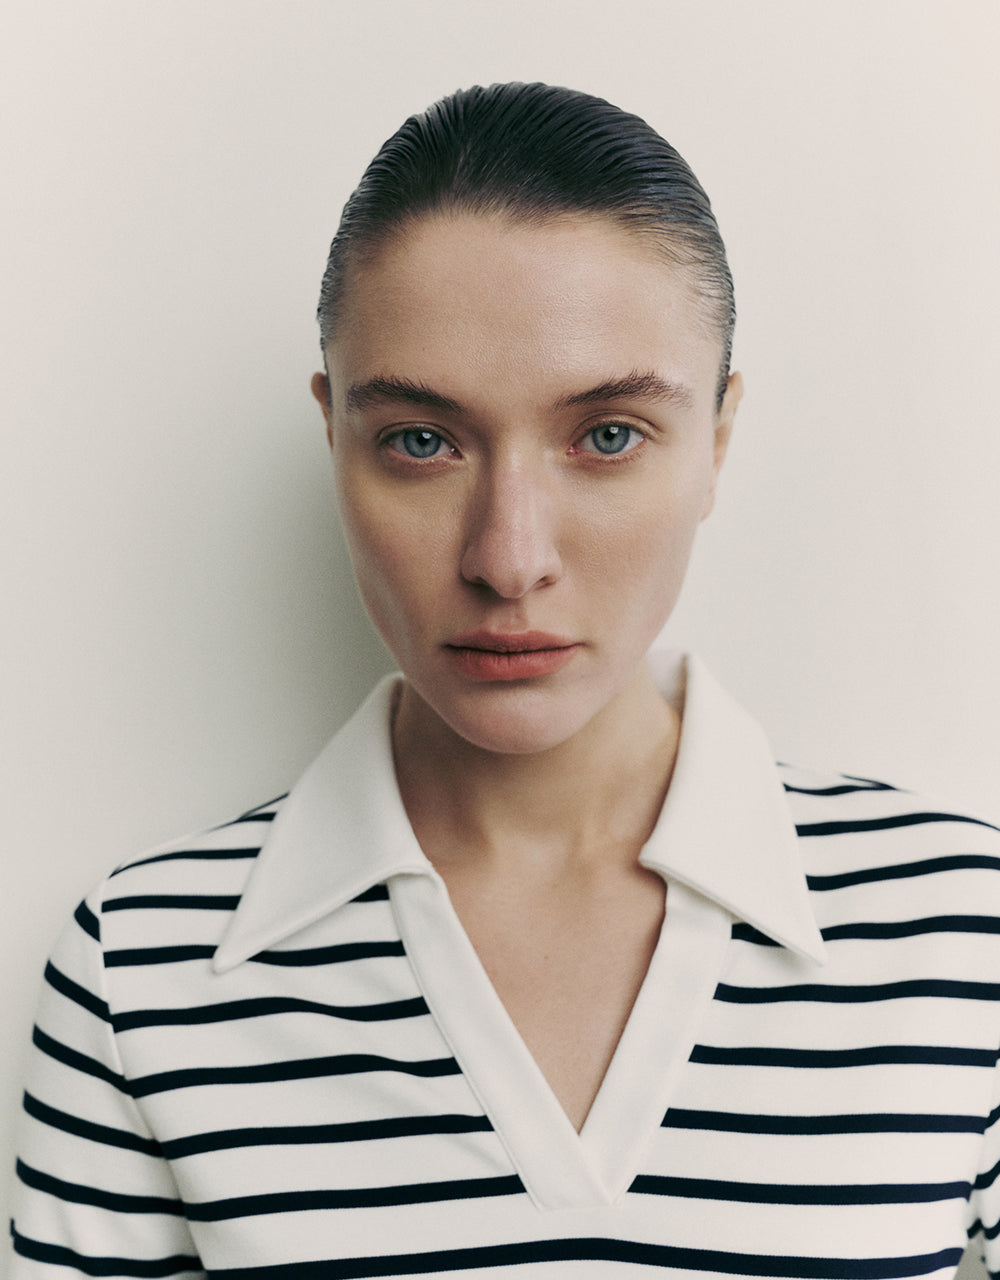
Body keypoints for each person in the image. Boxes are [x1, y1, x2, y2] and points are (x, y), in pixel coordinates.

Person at [10, 82, 1000, 1280]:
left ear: (716, 440)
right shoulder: (142, 969)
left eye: (608, 434)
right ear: (334, 435)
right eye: (420, 440)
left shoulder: (963, 930)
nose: (507, 557)